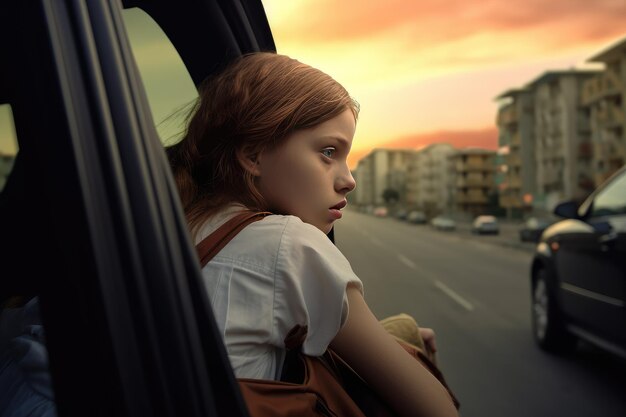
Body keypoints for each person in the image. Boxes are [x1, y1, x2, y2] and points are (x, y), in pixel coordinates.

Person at [167, 52, 458, 417]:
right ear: (253, 155)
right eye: (328, 152)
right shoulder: (287, 245)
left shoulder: (174, 223)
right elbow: (437, 410)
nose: (348, 179)